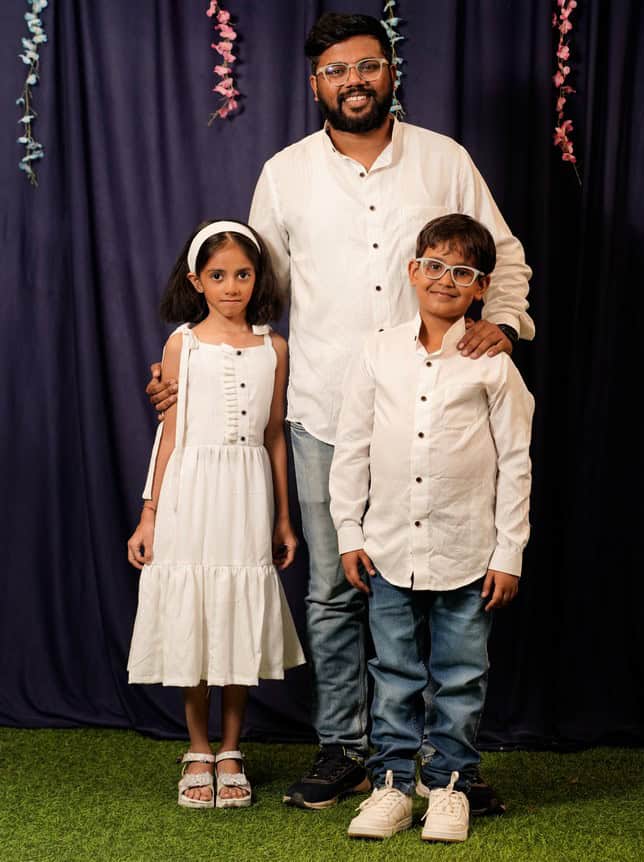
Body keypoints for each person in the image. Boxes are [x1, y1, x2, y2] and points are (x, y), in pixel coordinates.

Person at [147, 13, 534, 811]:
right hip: (325, 411)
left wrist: (505, 321)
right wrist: (191, 369)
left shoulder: (444, 160)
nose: (353, 81)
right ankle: (345, 751)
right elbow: (254, 293)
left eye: (366, 65)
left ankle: (439, 764)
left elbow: (504, 255)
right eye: (335, 70)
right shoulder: (285, 173)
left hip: (439, 411)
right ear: (315, 83)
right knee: (333, 590)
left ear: (389, 71)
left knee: (439, 589)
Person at [329, 213, 534, 842]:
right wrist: (349, 532)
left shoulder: (493, 365)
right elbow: (353, 446)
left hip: (468, 552)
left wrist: (509, 553)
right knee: (394, 675)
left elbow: (516, 462)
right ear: (413, 270)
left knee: (461, 676)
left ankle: (449, 787)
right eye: (435, 266)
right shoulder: (378, 351)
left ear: (482, 287)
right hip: (389, 548)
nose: (446, 280)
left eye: (463, 272)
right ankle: (392, 787)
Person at [127, 220, 305, 809]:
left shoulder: (274, 348)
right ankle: (198, 748)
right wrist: (150, 513)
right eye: (218, 275)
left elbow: (274, 436)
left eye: (243, 274)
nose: (232, 286)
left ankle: (232, 749)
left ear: (258, 279)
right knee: (197, 614)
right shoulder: (183, 344)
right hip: (190, 491)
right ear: (196, 281)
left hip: (246, 493)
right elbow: (170, 433)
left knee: (235, 616)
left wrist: (283, 518)